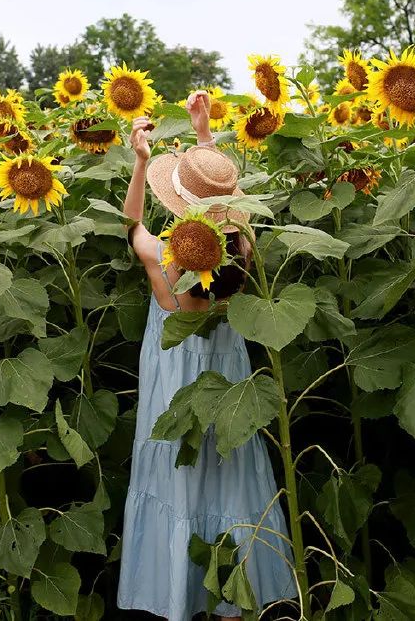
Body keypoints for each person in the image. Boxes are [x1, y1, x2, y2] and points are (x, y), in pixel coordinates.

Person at [116, 91, 298, 620]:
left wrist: (141, 160)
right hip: (230, 380)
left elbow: (131, 225)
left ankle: (178, 593)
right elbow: (233, 212)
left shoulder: (163, 259)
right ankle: (234, 602)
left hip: (173, 383)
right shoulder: (241, 252)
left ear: (177, 205)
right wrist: (206, 141)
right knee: (230, 471)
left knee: (176, 475)